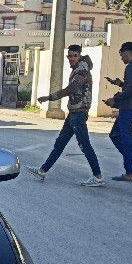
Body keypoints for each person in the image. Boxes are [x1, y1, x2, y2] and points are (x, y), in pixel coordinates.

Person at [27, 45, 104, 187]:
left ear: (79, 56)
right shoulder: (78, 68)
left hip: (79, 113)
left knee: (84, 145)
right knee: (60, 143)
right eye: (69, 56)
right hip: (73, 113)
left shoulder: (82, 69)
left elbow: (71, 89)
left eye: (75, 55)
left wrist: (49, 97)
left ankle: (98, 176)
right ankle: (42, 170)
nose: (71, 58)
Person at [103, 41, 132, 182]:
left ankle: (130, 171)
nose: (121, 58)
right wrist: (119, 84)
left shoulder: (131, 67)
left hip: (128, 107)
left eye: (122, 55)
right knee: (115, 135)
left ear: (127, 53)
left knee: (125, 137)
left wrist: (115, 99)